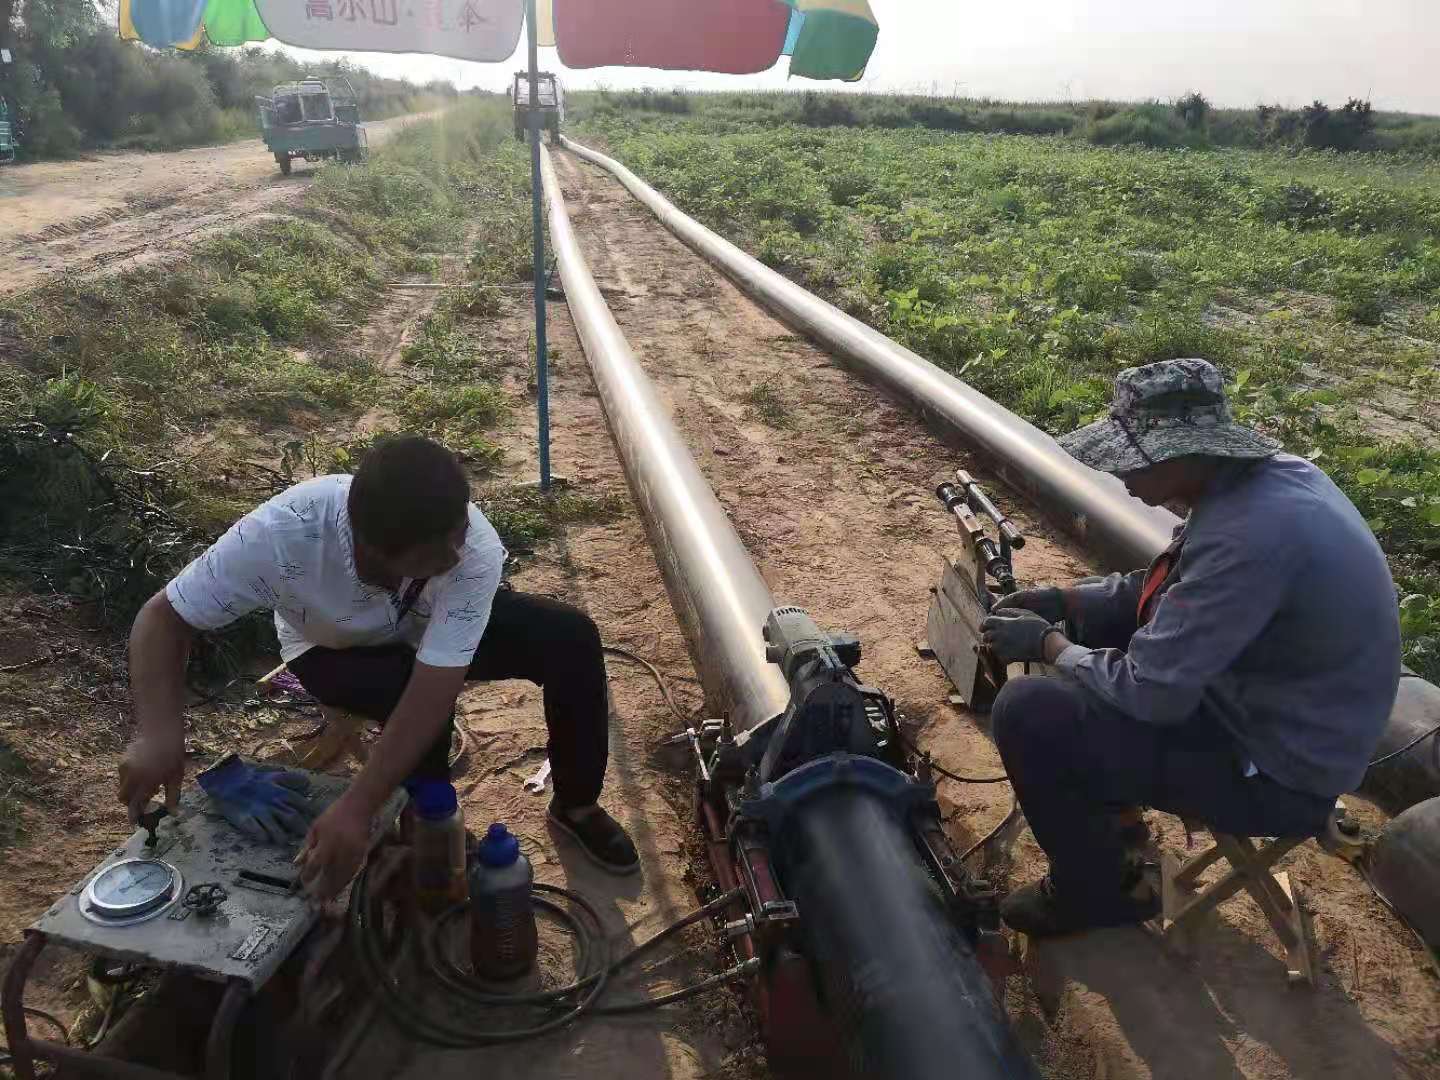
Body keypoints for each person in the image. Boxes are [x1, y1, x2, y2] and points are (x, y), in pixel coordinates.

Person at [980, 358, 1400, 937]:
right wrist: (1068, 601)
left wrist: (1048, 643)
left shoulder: (1250, 535)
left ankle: (1096, 893)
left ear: (1182, 454)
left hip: (1277, 772)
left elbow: (1152, 695)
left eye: (1132, 460)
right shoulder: (1264, 485)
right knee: (1095, 626)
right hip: (1271, 708)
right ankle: (1118, 819)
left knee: (1028, 710)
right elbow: (1174, 589)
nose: (1120, 475)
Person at [118, 435, 639, 900]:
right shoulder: (284, 534)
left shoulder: (467, 546)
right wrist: (159, 736)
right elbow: (162, 618)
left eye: (459, 533)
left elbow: (434, 687)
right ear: (372, 549)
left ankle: (576, 806)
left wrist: (356, 805)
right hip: (329, 646)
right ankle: (429, 825)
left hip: (419, 627)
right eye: (436, 553)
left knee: (569, 637)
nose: (455, 557)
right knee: (400, 693)